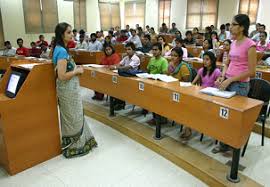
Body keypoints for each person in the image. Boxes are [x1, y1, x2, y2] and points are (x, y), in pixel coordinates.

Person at [52, 22, 97, 158]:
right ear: (62, 35)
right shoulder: (60, 51)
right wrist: (77, 71)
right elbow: (61, 75)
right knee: (73, 117)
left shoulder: (61, 48)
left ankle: (81, 143)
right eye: (69, 32)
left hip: (70, 90)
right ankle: (75, 146)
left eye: (72, 32)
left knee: (75, 116)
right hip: (67, 91)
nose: (72, 34)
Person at [213, 14, 256, 154]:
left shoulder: (250, 45)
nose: (230, 27)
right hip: (228, 81)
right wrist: (222, 76)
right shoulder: (233, 42)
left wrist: (230, 80)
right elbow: (227, 63)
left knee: (233, 118)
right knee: (224, 115)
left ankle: (232, 144)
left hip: (240, 85)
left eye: (233, 24)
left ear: (242, 27)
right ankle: (224, 143)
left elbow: (252, 71)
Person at [110, 42, 140, 110]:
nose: (127, 51)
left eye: (129, 49)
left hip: (133, 78)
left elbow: (127, 67)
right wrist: (114, 66)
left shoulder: (136, 58)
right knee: (115, 83)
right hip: (125, 77)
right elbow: (120, 64)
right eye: (126, 49)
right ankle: (118, 101)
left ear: (134, 50)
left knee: (120, 85)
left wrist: (115, 68)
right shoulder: (126, 57)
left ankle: (121, 103)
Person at [147, 43, 168, 125]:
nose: (154, 51)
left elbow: (165, 75)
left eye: (156, 50)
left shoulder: (163, 61)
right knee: (151, 101)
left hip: (159, 84)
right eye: (153, 50)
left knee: (157, 101)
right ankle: (155, 117)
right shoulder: (151, 59)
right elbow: (148, 71)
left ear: (160, 51)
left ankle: (161, 119)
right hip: (151, 82)